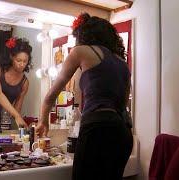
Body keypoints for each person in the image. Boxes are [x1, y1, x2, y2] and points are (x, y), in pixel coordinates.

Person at [36, 13, 133, 180]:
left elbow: (51, 95)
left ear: (83, 35)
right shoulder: (121, 62)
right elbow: (123, 104)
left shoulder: (80, 51)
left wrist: (43, 120)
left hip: (97, 129)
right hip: (122, 134)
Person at [0, 37, 32, 131]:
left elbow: (17, 108)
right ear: (11, 57)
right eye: (18, 60)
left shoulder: (24, 83)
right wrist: (17, 116)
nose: (21, 64)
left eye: (24, 61)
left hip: (4, 120)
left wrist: (18, 120)